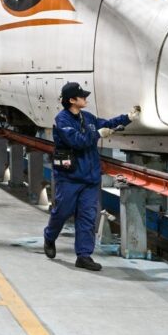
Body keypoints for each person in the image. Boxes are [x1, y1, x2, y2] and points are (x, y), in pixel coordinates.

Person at [43, 82, 140, 271]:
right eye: (82, 96)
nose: (85, 98)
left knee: (88, 217)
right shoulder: (62, 120)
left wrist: (128, 118)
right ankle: (49, 237)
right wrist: (97, 134)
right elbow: (77, 141)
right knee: (62, 212)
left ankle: (84, 255)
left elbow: (107, 124)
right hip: (69, 178)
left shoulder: (87, 117)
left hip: (89, 178)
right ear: (71, 100)